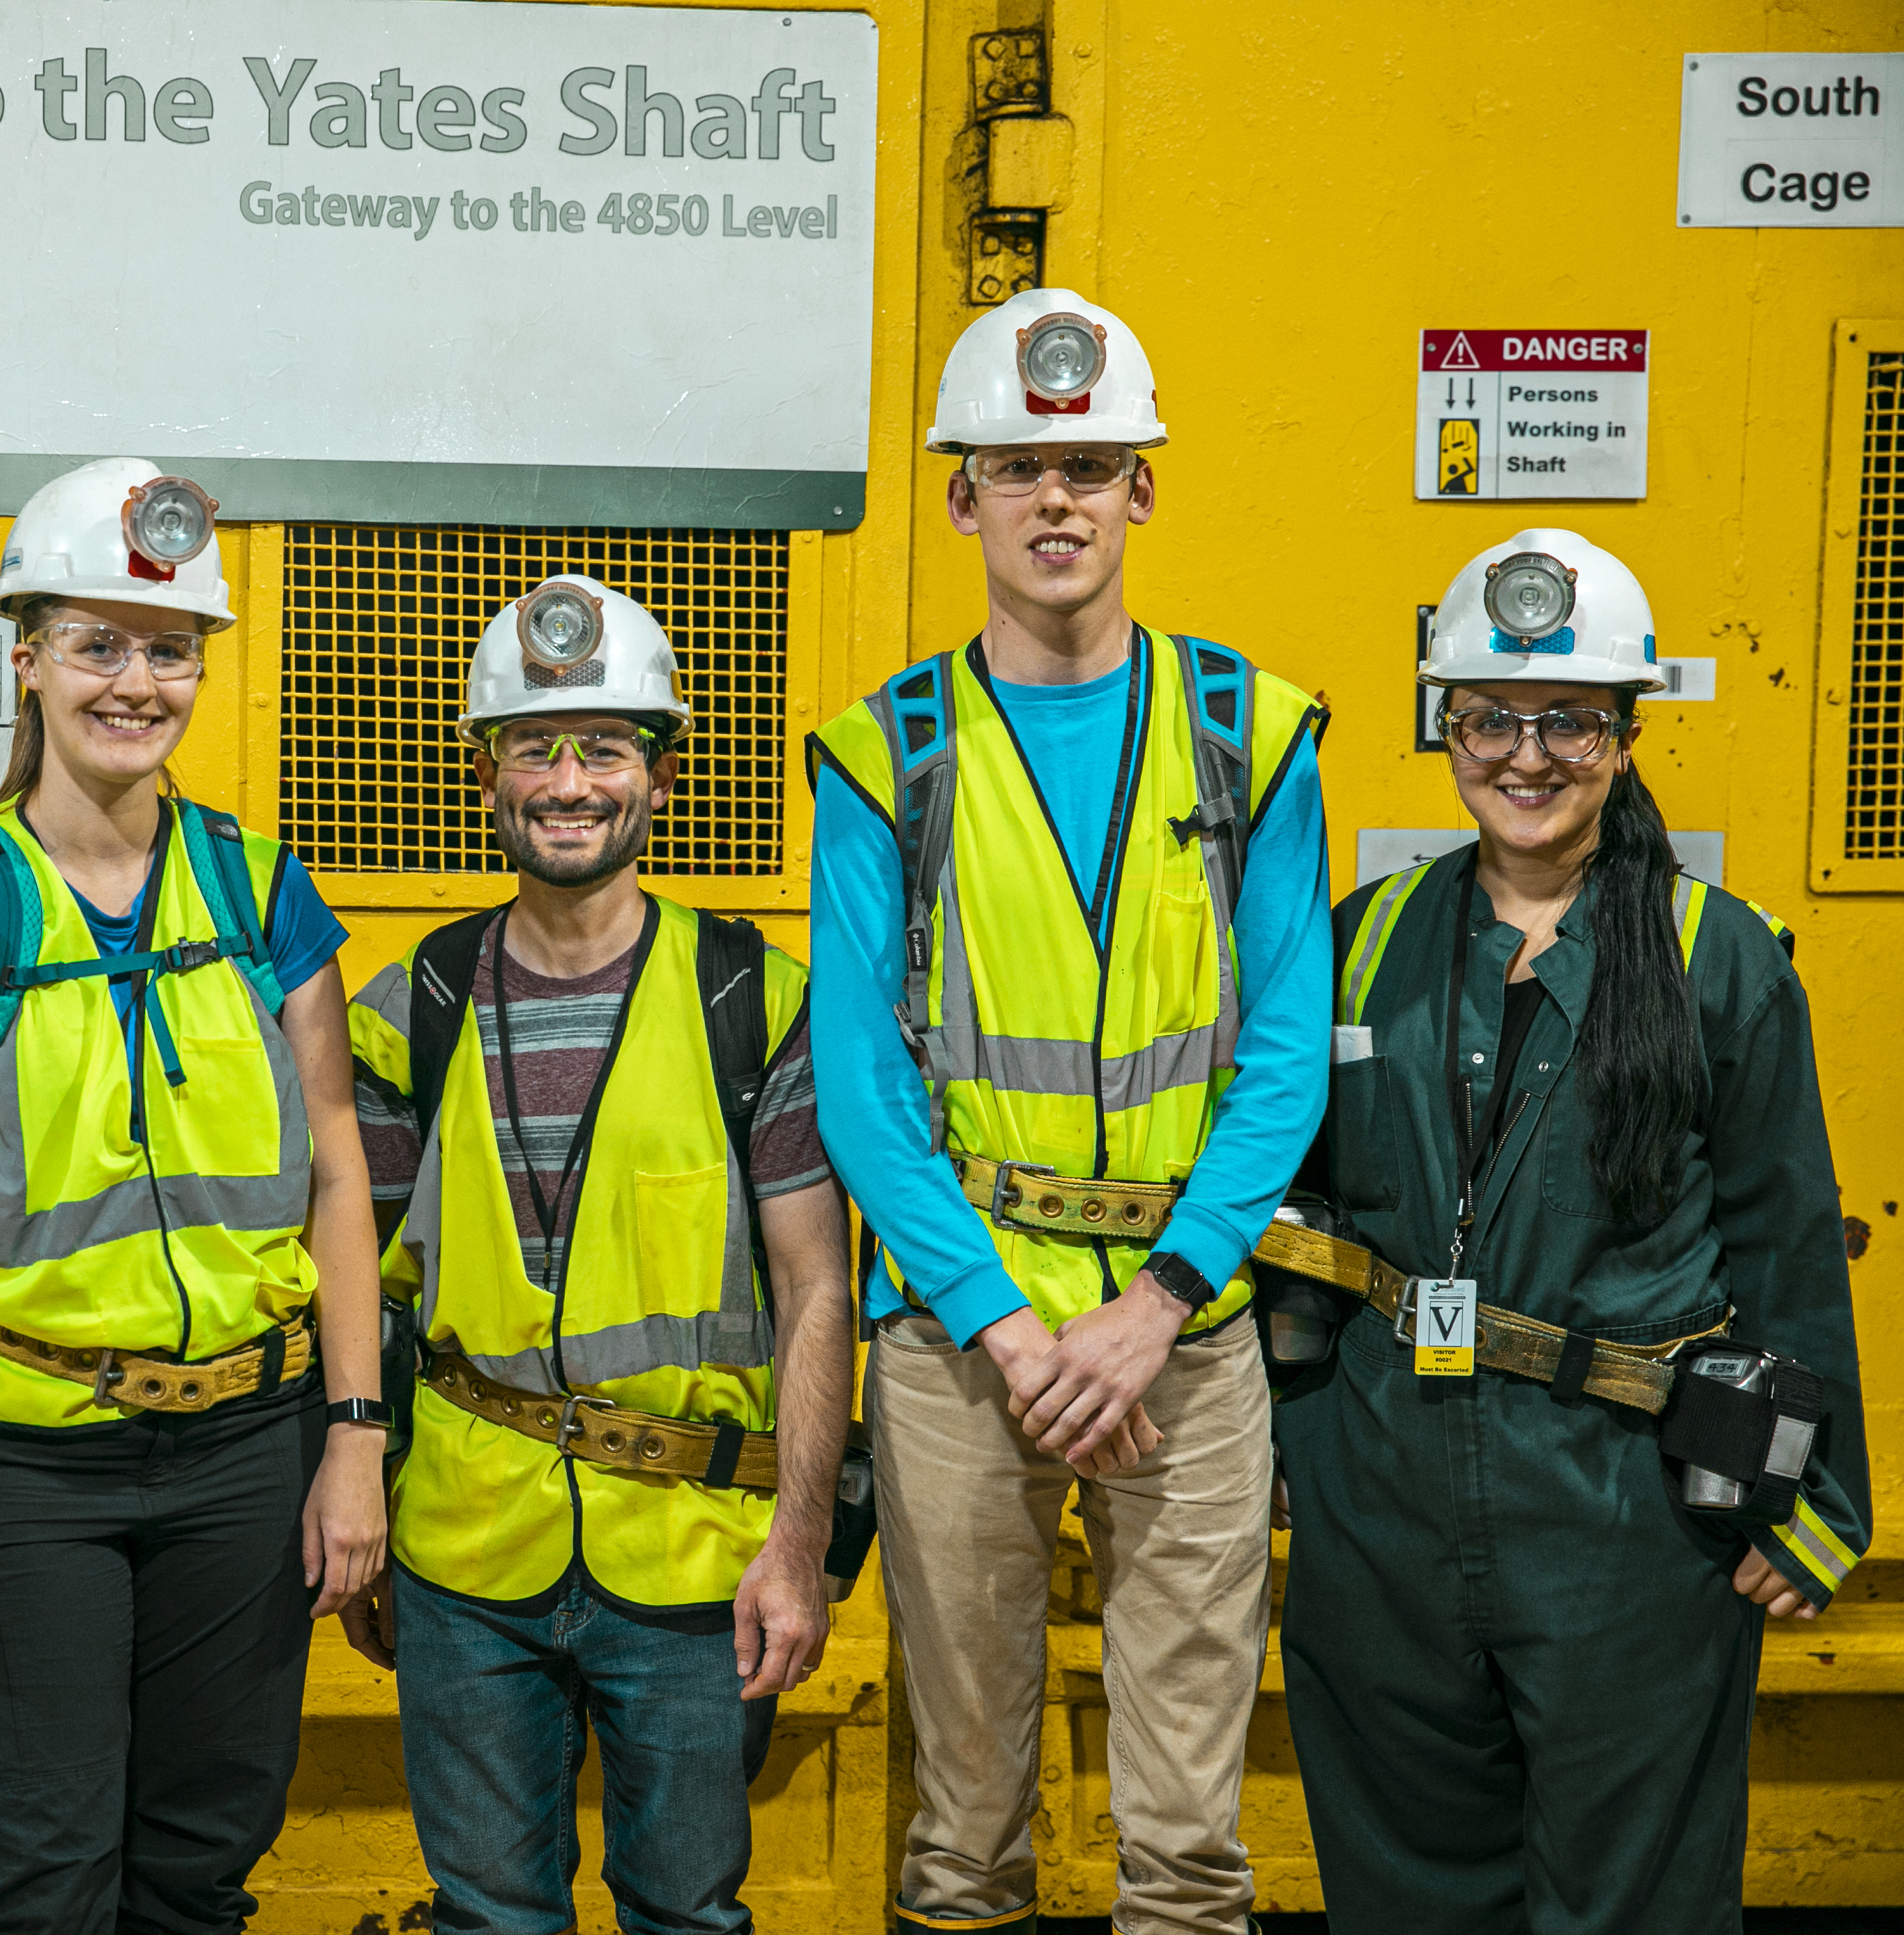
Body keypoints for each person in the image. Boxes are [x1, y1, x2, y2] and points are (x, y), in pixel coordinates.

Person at [806, 289, 1331, 1935]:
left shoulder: (1253, 730)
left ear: (1142, 493)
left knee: (1191, 1847)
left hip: (1187, 1323)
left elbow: (1290, 1050)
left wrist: (1156, 1301)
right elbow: (862, 1083)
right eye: (1020, 468)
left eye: (1092, 467)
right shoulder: (884, 751)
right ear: (961, 495)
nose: (1057, 501)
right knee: (962, 1837)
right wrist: (1017, 1331)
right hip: (966, 1342)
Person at [1272, 529, 1871, 1932]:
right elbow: (1287, 1217)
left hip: (1626, 1518)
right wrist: (1296, 1445)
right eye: (1490, 717)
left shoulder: (1719, 956)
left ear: (1623, 735)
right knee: (1404, 1888)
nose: (1525, 754)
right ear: (1447, 729)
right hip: (1385, 1506)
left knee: (1635, 1900)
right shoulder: (1363, 937)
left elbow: (1789, 1241)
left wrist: (1824, 1502)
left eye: (1569, 721)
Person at [0, 457, 388, 1934]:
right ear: (26, 657)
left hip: (245, 1459)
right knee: (45, 1884)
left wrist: (353, 1438)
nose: (135, 683)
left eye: (169, 650)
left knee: (201, 1874)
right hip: (22, 1474)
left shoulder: (266, 894)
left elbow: (338, 1169)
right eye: (97, 643)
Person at [343, 575, 852, 1935]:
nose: (570, 780)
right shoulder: (416, 1004)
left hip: (698, 1560)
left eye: (607, 746)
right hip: (463, 1557)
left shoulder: (755, 999)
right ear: (486, 774)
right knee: (489, 1913)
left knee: (687, 1914)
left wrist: (800, 1545)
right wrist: (363, 1507)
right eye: (534, 746)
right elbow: (358, 1295)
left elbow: (817, 1292)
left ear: (661, 777)